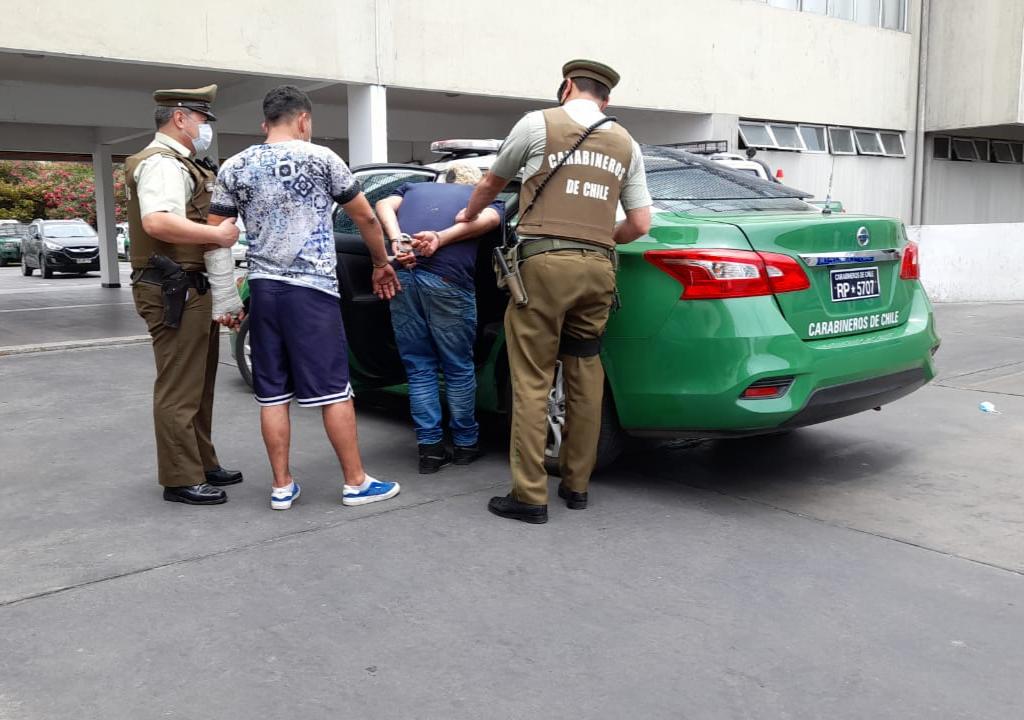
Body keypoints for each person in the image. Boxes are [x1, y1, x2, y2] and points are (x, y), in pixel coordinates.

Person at [457, 59, 652, 524]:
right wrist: (601, 241)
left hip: (542, 268)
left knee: (532, 379)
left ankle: (529, 496)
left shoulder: (537, 123)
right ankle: (577, 485)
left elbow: (492, 182)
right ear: (606, 99)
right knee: (585, 377)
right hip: (600, 268)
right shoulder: (626, 143)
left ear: (567, 86)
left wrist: (468, 216)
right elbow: (641, 223)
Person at [208, 85, 402, 511]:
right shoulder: (322, 158)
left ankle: (281, 486)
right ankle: (355, 481)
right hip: (310, 291)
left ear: (265, 124)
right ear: (304, 121)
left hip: (263, 289)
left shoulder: (234, 166)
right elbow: (365, 215)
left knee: (272, 393)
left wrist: (224, 298)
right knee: (335, 390)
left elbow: (216, 237)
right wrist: (380, 262)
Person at [125, 84, 243, 506]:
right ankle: (180, 477)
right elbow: (157, 222)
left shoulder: (182, 164)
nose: (204, 128)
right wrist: (216, 234)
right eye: (201, 119)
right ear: (180, 117)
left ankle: (201, 461)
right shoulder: (161, 164)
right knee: (179, 385)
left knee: (198, 382)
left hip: (189, 288)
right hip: (173, 289)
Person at [375, 163, 503, 474]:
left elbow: (380, 204)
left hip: (403, 277)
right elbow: (484, 221)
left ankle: (430, 450)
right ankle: (465, 444)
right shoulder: (487, 200)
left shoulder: (412, 188)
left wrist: (398, 239)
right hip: (448, 282)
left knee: (419, 367)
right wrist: (441, 239)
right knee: (458, 366)